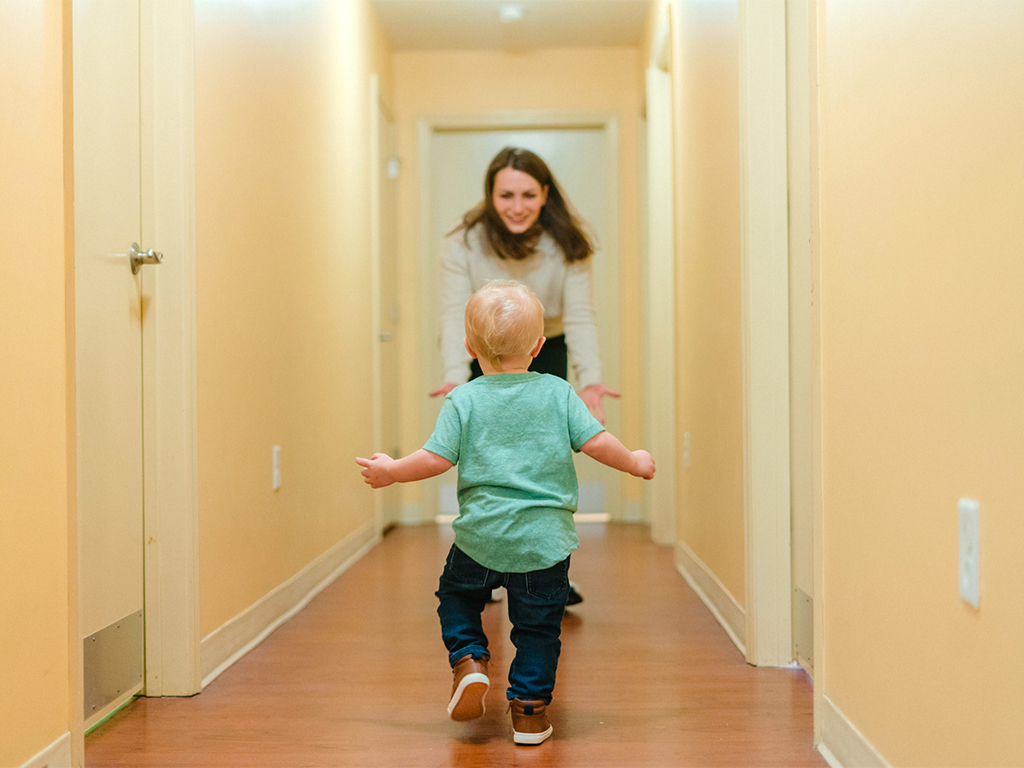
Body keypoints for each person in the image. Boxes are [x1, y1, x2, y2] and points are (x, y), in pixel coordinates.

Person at [357, 280, 655, 745]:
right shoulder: (558, 392)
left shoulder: (465, 399)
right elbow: (597, 443)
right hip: (543, 543)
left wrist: (393, 470)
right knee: (538, 626)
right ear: (539, 346)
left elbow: (436, 458)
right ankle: (530, 713)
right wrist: (636, 462)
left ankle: (470, 659)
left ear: (469, 347)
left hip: (481, 538)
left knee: (456, 597)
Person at [430, 146, 618, 606]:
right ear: (490, 195)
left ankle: (549, 567)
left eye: (528, 195)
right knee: (487, 459)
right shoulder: (465, 242)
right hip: (486, 348)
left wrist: (590, 378)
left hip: (546, 345)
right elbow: (456, 312)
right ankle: (485, 562)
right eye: (506, 195)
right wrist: (457, 374)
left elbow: (581, 316)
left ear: (545, 194)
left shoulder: (569, 244)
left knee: (545, 458)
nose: (517, 206)